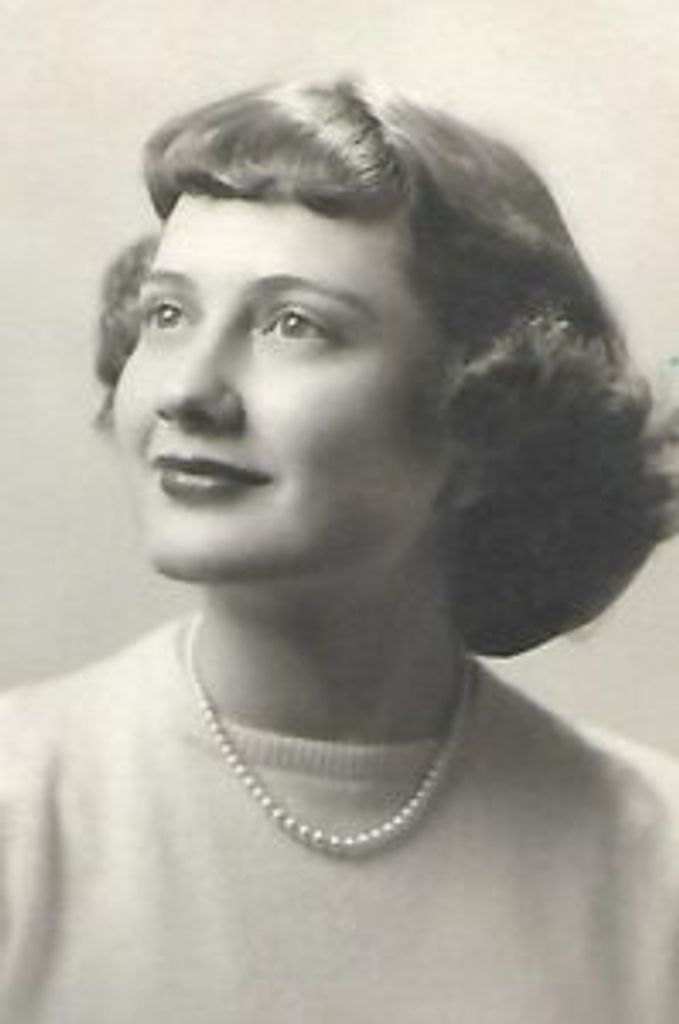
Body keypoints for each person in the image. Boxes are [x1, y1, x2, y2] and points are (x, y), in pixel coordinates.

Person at [1, 77, 678, 1024]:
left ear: (483, 405)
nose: (187, 392)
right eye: (167, 315)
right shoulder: (20, 813)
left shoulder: (651, 866)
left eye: (293, 325)